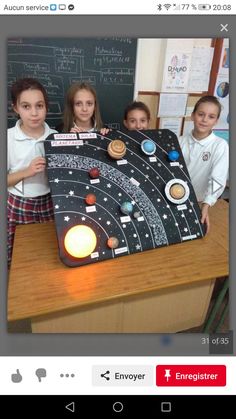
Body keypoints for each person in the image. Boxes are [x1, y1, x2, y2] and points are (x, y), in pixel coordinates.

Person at [7, 78, 57, 267]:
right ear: (16, 108)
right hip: (20, 202)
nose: (34, 113)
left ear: (46, 107)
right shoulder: (8, 138)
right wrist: (26, 171)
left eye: (39, 105)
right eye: (26, 106)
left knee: (47, 250)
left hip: (50, 201)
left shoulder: (55, 137)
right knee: (20, 255)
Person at [179, 95, 229, 234]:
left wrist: (206, 205)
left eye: (211, 116)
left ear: (216, 121)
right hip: (176, 200)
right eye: (201, 114)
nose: (205, 119)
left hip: (201, 203)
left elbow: (218, 179)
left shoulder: (220, 145)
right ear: (193, 115)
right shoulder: (179, 141)